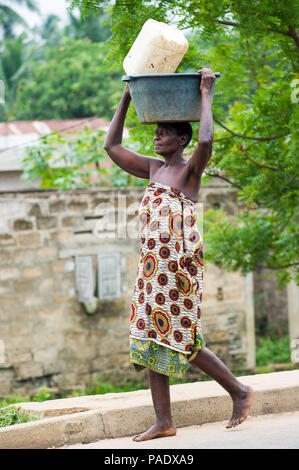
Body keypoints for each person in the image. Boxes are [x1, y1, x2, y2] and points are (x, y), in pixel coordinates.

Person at [104, 68, 254, 442]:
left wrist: (206, 93)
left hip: (179, 268)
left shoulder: (190, 171)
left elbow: (206, 141)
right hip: (152, 269)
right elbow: (112, 147)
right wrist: (127, 96)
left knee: (183, 336)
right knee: (152, 335)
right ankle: (163, 421)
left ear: (181, 139)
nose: (157, 136)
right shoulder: (154, 168)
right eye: (156, 131)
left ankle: (239, 390)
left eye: (165, 132)